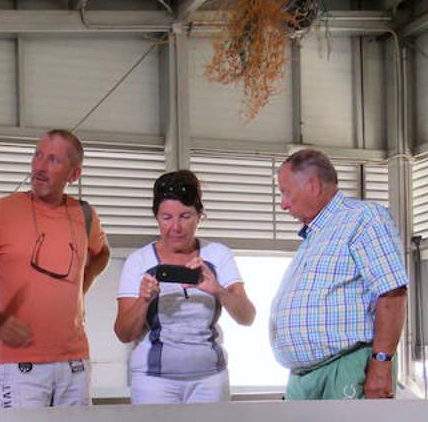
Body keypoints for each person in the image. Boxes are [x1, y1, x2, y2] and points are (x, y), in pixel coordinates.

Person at [0, 130, 111, 409]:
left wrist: (80, 289)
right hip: (20, 364)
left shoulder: (85, 214)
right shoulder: (1, 212)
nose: (40, 168)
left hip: (74, 363)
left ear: (74, 174)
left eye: (54, 160)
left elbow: (102, 254)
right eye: (38, 155)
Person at [269, 148, 408, 400]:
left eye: (286, 192)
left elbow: (392, 292)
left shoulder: (362, 218)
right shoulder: (315, 235)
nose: (283, 204)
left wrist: (381, 364)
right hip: (305, 376)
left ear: (312, 185)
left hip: (347, 367)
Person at [115, 170, 256, 404]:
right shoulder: (138, 261)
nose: (176, 227)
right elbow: (123, 333)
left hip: (210, 380)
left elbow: (247, 317)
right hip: (154, 382)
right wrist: (144, 300)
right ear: (156, 217)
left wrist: (218, 290)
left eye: (185, 216)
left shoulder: (218, 255)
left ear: (200, 215)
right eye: (166, 217)